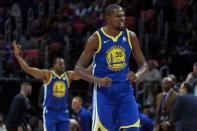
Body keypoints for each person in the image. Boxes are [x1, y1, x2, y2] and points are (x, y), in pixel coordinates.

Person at [75, 4, 148, 131]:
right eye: (118, 16)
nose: (122, 19)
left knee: (133, 128)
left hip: (125, 90)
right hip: (104, 92)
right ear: (108, 18)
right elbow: (78, 68)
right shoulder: (96, 38)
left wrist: (137, 75)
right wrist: (97, 80)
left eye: (123, 16)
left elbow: (144, 65)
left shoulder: (130, 36)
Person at [12, 41, 85, 131]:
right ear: (54, 65)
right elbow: (28, 69)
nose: (63, 65)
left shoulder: (68, 75)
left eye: (63, 64)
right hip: (50, 112)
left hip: (63, 111)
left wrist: (97, 61)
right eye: (60, 64)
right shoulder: (48, 75)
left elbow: (84, 74)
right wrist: (18, 56)